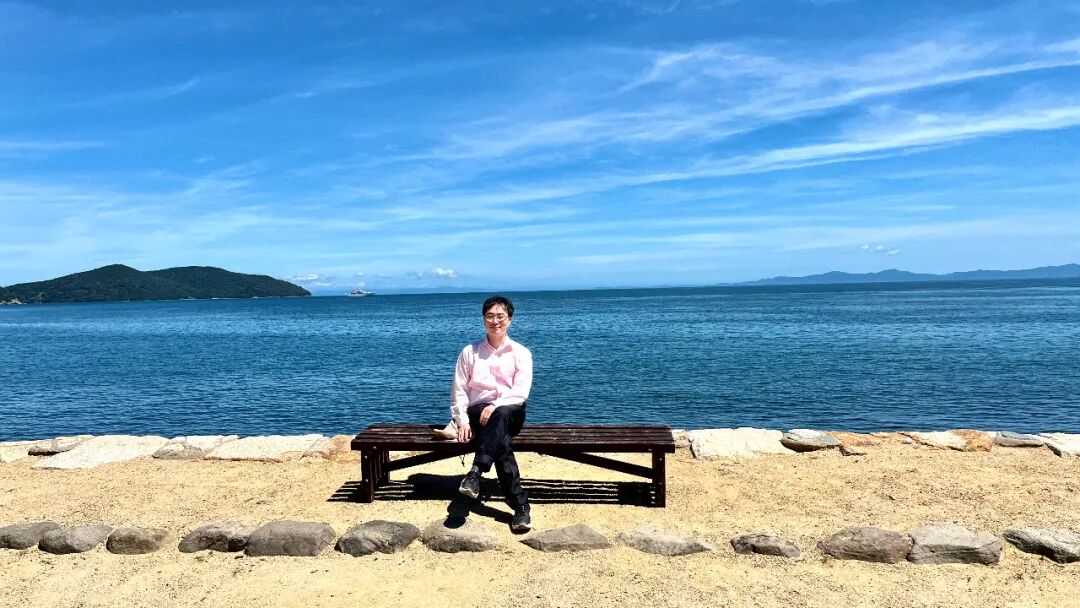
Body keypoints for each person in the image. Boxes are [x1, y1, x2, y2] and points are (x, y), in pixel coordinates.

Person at [450, 295, 533, 531]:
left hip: (511, 411)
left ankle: (476, 471)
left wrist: (495, 406)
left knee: (502, 414)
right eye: (490, 316)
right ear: (483, 319)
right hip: (478, 414)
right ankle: (520, 507)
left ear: (510, 319)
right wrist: (462, 421)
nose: (495, 321)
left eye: (500, 316)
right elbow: (459, 389)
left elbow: (520, 392)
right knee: (501, 442)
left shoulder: (521, 353)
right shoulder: (470, 352)